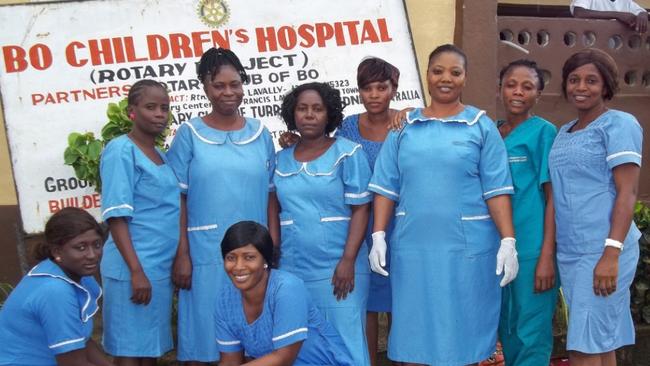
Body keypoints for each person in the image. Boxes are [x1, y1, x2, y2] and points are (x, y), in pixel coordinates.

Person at [368, 44, 518, 365]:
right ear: (427, 75)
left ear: (465, 78)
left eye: (455, 72)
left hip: (467, 251)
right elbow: (385, 187)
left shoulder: (480, 126)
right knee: (413, 330)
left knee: (463, 331)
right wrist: (378, 235)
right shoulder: (404, 127)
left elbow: (497, 189)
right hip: (414, 248)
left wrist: (508, 240)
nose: (445, 78)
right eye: (438, 71)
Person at [278, 57, 400, 366]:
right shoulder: (345, 129)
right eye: (366, 88)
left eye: (381, 88)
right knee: (317, 332)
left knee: (396, 307)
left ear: (393, 90)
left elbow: (360, 205)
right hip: (311, 255)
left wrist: (347, 259)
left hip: (385, 231)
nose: (374, 94)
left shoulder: (400, 125)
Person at [166, 47, 276, 365]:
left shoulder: (259, 134)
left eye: (235, 84)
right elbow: (178, 199)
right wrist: (182, 254)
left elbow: (271, 194)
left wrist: (272, 247)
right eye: (219, 86)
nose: (229, 92)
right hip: (205, 254)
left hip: (255, 253)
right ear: (205, 86)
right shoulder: (189, 135)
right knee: (203, 338)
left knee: (251, 336)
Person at [548, 48, 642, 366]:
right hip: (572, 252)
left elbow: (627, 192)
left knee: (582, 347)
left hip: (603, 250)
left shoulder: (618, 124)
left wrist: (611, 253)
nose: (581, 87)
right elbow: (558, 194)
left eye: (591, 80)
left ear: (606, 85)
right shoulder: (564, 132)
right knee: (599, 339)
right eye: (574, 80)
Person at [271, 82, 373, 365]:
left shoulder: (348, 153)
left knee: (346, 340)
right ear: (293, 114)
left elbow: (362, 209)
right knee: (303, 343)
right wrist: (275, 254)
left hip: (339, 268)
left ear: (330, 114)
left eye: (317, 108)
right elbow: (273, 207)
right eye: (302, 109)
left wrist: (348, 260)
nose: (309, 115)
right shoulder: (279, 160)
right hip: (293, 268)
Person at [99, 79, 180, 365]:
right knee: (129, 352)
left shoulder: (159, 154)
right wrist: (136, 271)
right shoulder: (121, 150)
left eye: (164, 107)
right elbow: (117, 217)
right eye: (150, 107)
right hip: (132, 267)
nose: (160, 113)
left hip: (157, 267)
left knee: (150, 349)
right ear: (132, 111)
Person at [215, 221, 355, 366]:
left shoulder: (286, 289)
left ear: (266, 260)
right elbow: (230, 361)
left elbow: (282, 359)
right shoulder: (225, 300)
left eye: (249, 257)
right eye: (231, 258)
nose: (238, 266)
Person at [496, 59, 559, 366]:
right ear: (501, 90)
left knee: (531, 333)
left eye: (527, 86)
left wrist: (547, 257)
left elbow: (553, 198)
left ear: (538, 94)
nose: (517, 92)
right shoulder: (492, 133)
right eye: (511, 85)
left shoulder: (544, 133)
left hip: (532, 249)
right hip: (496, 250)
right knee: (506, 328)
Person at [0, 207, 112, 366]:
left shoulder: (75, 275)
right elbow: (73, 363)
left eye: (97, 244)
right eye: (80, 247)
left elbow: (82, 341)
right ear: (56, 251)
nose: (92, 255)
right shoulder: (55, 291)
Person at [570, 0, 648, 34]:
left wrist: (643, 14)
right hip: (590, 48)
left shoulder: (626, 1)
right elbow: (579, 13)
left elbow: (641, 12)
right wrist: (618, 15)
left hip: (616, 49)